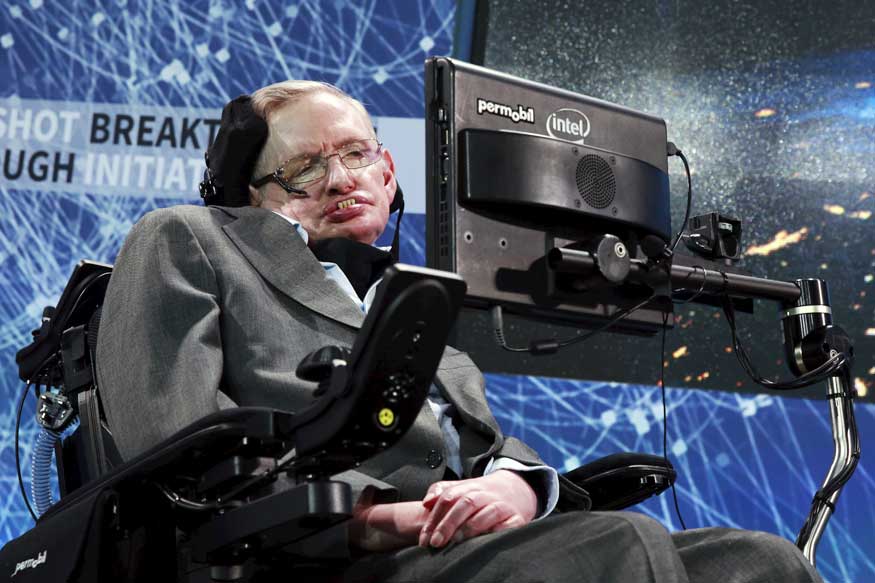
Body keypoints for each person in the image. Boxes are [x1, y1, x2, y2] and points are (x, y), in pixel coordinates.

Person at [96, 80, 823, 582]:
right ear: (252, 198)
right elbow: (178, 453)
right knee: (615, 545)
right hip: (315, 556)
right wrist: (386, 515)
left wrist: (518, 487)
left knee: (760, 562)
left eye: (355, 154)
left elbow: (486, 446)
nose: (341, 179)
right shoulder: (188, 238)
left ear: (388, 172)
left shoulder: (411, 307)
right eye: (304, 169)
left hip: (455, 547)